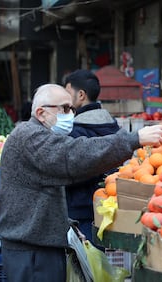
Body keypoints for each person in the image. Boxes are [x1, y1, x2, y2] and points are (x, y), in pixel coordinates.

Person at [0, 84, 162, 282]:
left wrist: (67, 226)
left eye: (72, 108)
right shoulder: (29, 136)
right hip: (32, 252)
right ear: (41, 112)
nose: (71, 114)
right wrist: (133, 140)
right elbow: (73, 155)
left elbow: (41, 190)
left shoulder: (38, 136)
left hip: (38, 245)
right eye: (65, 108)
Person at [64, 69, 120, 241]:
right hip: (106, 208)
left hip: (80, 212)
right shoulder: (112, 126)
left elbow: (73, 170)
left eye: (67, 93)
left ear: (81, 95)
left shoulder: (76, 130)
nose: (64, 100)